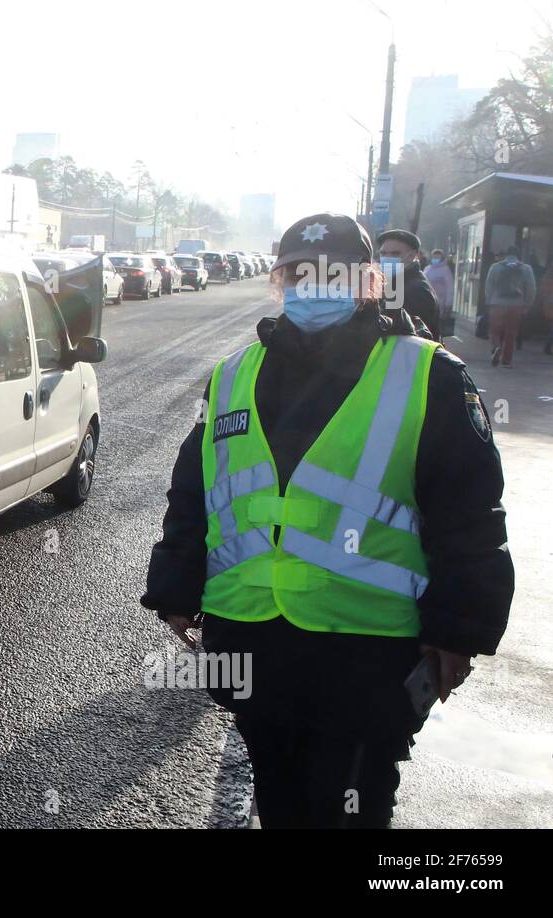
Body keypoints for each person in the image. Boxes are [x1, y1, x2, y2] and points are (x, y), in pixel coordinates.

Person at [142, 213, 513, 828]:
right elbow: (196, 490)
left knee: (347, 809)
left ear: (369, 282)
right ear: (280, 281)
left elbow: (470, 512)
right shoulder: (235, 373)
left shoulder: (428, 374)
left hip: (368, 649)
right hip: (253, 635)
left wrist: (459, 629)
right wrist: (177, 587)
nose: (314, 285)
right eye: (298, 273)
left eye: (332, 273)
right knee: (282, 803)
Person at [377, 229, 440, 340]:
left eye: (395, 253)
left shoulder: (416, 291)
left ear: (411, 255)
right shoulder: (395, 283)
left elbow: (411, 336)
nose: (387, 258)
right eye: (383, 253)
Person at [484, 246, 537, 368]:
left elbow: (489, 285)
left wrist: (489, 300)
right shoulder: (526, 268)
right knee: (511, 333)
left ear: (505, 255)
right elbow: (531, 288)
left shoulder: (495, 267)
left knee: (495, 330)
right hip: (517, 305)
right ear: (519, 256)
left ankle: (496, 347)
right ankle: (506, 361)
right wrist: (527, 304)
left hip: (497, 303)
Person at [423, 248, 455, 333]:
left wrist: (449, 304)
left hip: (440, 302)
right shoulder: (427, 268)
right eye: (434, 257)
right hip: (427, 300)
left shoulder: (445, 270)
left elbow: (450, 287)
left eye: (437, 257)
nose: (435, 259)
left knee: (437, 325)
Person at [540, 263, 553, 356]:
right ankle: (548, 345)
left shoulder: (546, 276)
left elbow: (542, 290)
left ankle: (547, 344)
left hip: (548, 302)